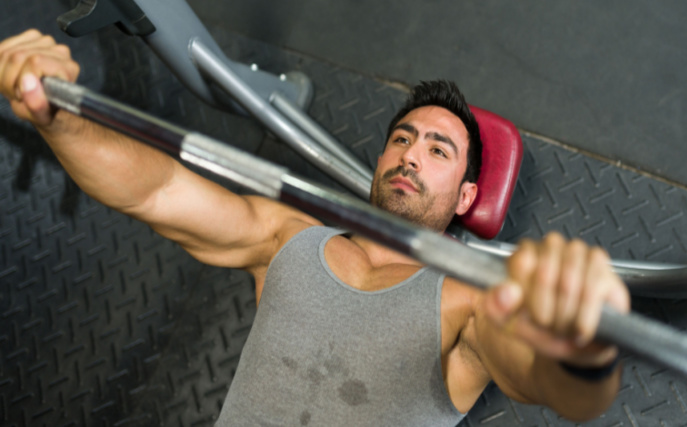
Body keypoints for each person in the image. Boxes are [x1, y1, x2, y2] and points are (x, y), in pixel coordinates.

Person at [0, 29, 630, 426]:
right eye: (403, 139)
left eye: (439, 150)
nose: (411, 154)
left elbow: (537, 375)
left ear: (468, 195)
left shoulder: (471, 302)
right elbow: (158, 191)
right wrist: (59, 120)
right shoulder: (286, 238)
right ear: (381, 159)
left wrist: (583, 350)